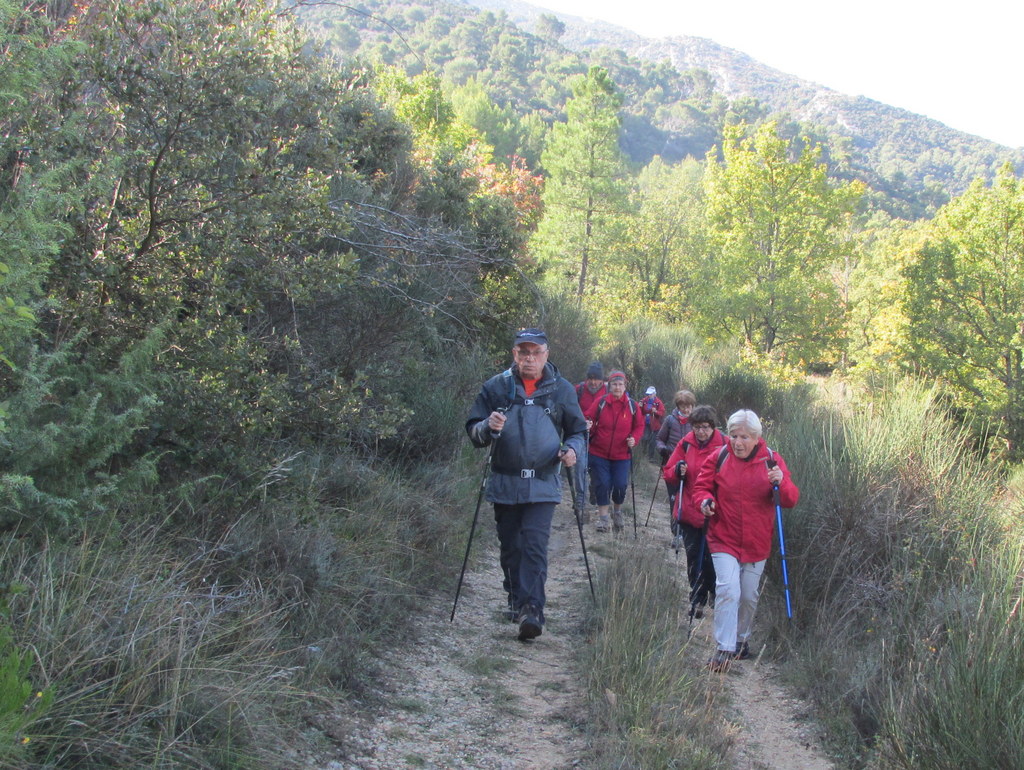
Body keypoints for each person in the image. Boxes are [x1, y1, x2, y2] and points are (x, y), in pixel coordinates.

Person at [465, 328, 587, 641]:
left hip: (544, 483)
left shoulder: (561, 390)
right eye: (523, 352)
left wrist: (572, 450)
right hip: (505, 481)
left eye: (535, 353)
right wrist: (487, 427)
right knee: (511, 547)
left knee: (534, 545)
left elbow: (577, 431)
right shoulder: (496, 387)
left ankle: (532, 609)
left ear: (546, 354)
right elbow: (474, 432)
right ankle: (515, 596)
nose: (529, 358)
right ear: (514, 354)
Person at [692, 409, 799, 671]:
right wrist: (705, 501)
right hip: (723, 536)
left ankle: (741, 640)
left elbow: (790, 500)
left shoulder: (772, 460)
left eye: (744, 437)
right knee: (729, 589)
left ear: (756, 437)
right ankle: (723, 649)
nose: (737, 443)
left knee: (749, 595)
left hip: (756, 541)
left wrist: (781, 482)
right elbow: (701, 487)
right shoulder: (721, 456)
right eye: (733, 435)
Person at [661, 405, 727, 616]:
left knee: (711, 558)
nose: (701, 432)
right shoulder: (686, 443)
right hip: (689, 510)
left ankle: (714, 594)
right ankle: (697, 599)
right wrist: (678, 469)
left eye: (705, 427)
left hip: (715, 513)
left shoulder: (724, 445)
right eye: (697, 427)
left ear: (713, 427)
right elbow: (668, 472)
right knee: (693, 556)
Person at [584, 370, 645, 533]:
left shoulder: (632, 406)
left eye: (620, 384)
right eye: (614, 384)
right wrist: (588, 423)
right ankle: (603, 519)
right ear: (609, 386)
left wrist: (634, 438)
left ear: (625, 386)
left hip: (622, 454)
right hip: (598, 452)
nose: (617, 387)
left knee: (620, 485)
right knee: (602, 484)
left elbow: (639, 426)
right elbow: (588, 416)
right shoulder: (601, 402)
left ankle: (617, 511)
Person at [573, 362, 607, 523]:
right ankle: (580, 502)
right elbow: (569, 408)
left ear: (602, 379)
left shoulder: (608, 391)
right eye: (591, 378)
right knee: (580, 467)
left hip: (600, 437)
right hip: (580, 434)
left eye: (597, 379)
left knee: (597, 471)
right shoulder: (578, 390)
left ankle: (594, 490)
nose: (593, 382)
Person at [656, 389, 697, 509]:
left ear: (693, 406)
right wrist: (662, 449)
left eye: (688, 406)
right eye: (682, 406)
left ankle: (683, 525)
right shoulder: (670, 420)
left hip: (691, 467)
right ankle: (674, 526)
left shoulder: (697, 422)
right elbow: (659, 438)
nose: (686, 409)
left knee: (687, 500)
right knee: (674, 500)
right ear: (678, 406)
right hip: (672, 465)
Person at [640, 386, 666, 462]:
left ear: (654, 394)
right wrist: (640, 406)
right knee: (644, 438)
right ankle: (643, 455)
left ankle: (650, 457)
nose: (649, 395)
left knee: (652, 442)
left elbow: (662, 413)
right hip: (646, 424)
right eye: (648, 394)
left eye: (651, 394)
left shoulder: (658, 403)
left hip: (655, 426)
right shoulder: (644, 400)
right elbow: (641, 411)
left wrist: (656, 412)